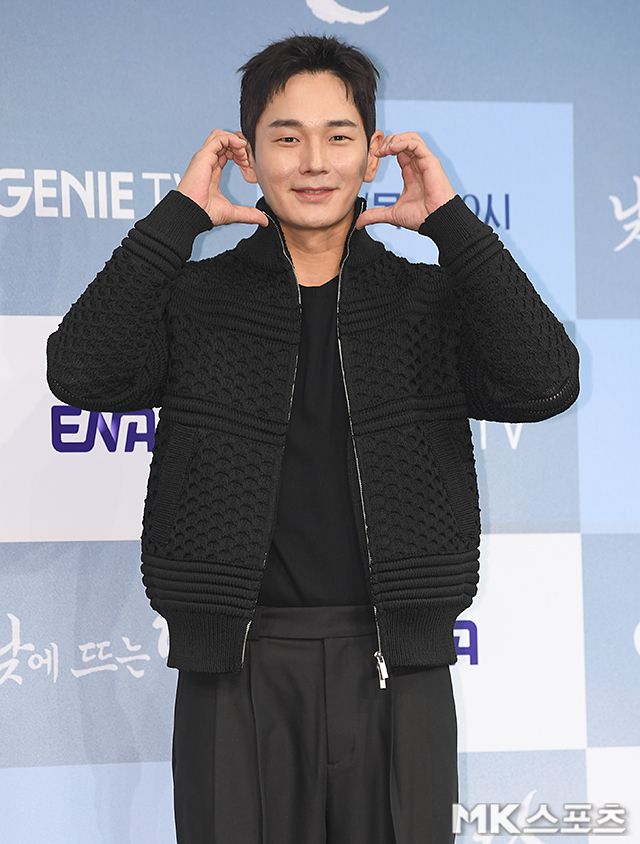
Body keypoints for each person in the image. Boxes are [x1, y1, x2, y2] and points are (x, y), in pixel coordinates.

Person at [46, 33, 580, 844]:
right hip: (233, 666)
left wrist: (452, 226)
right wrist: (178, 217)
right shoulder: (197, 300)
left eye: (338, 136)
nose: (314, 162)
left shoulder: (425, 303)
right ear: (248, 157)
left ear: (372, 155)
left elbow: (546, 381)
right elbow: (80, 372)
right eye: (287, 138)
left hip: (398, 666)